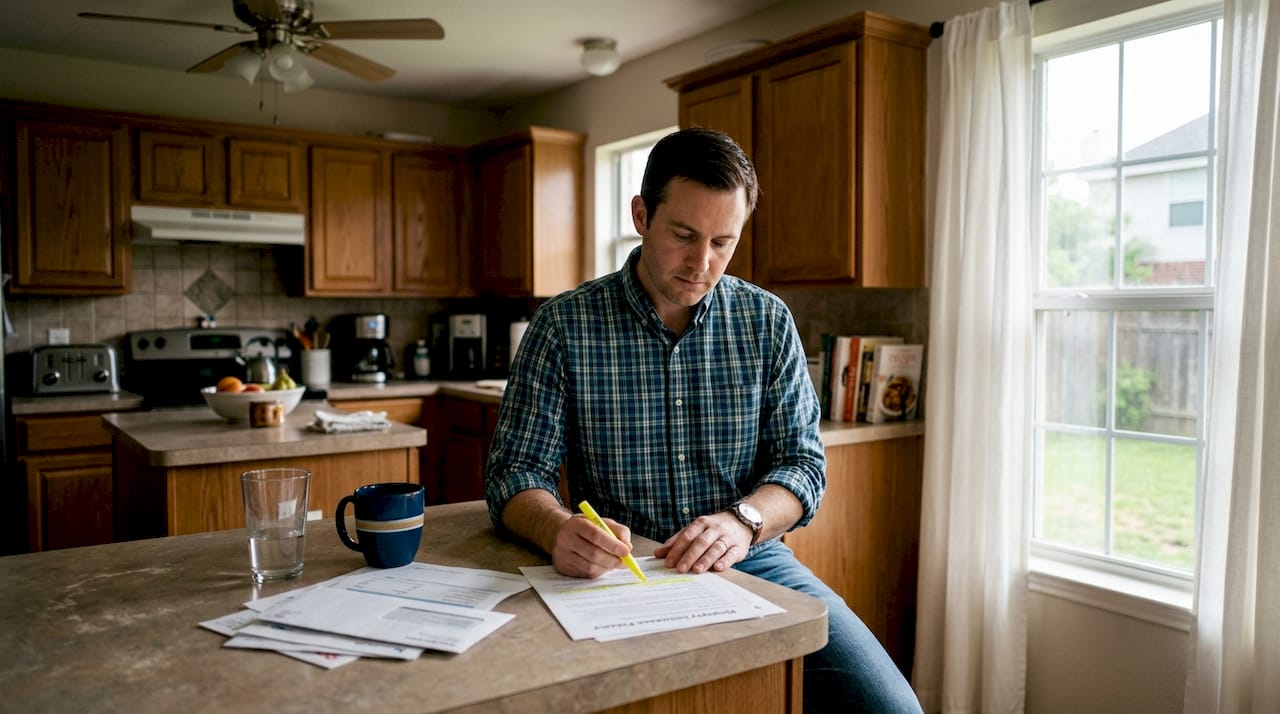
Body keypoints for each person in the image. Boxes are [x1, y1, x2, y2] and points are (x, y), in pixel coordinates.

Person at [484, 127, 921, 714]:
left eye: (723, 241)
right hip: (619, 570)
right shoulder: (563, 326)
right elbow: (514, 472)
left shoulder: (766, 321)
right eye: (684, 235)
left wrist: (742, 522)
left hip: (753, 561)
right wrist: (557, 529)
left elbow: (803, 466)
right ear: (641, 215)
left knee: (889, 707)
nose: (702, 263)